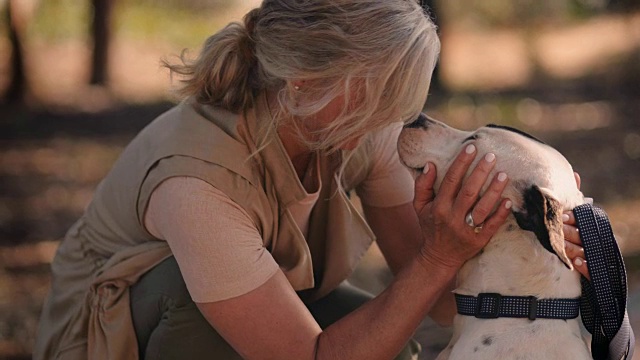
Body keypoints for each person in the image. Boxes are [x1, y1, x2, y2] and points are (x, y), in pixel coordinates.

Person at [33, 1, 589, 359]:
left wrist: (519, 250)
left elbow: (440, 304)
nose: (397, 116)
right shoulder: (197, 185)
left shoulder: (353, 121)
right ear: (302, 85)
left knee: (388, 344)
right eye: (381, 92)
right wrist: (439, 259)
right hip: (107, 340)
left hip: (260, 308)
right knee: (192, 301)